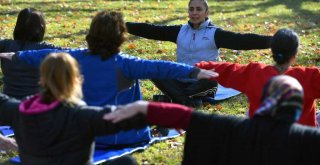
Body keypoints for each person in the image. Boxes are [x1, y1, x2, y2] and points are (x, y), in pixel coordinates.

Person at [0, 11, 218, 150]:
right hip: (126, 138)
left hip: (90, 135)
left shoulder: (78, 56)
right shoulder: (125, 63)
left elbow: (43, 54)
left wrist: (17, 56)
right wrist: (194, 72)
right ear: (120, 36)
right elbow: (160, 67)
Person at [103, 75, 320, 165]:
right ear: (297, 107)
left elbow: (188, 117)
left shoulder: (235, 128)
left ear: (265, 100)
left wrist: (145, 107)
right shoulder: (308, 139)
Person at [0, 52, 145, 165]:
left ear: (42, 79)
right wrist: (153, 111)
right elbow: (130, 117)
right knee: (126, 162)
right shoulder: (83, 116)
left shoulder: (18, 111)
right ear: (76, 80)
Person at [126, 0, 272, 105]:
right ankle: (185, 100)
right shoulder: (179, 31)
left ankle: (175, 98)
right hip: (180, 79)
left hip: (202, 82)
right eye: (191, 9)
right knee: (155, 69)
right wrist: (123, 26)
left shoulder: (215, 33)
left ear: (206, 12)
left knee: (211, 80)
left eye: (198, 9)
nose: (194, 13)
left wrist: (272, 41)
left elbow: (242, 40)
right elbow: (151, 30)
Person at [195, 28, 320, 127]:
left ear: (272, 51)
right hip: (301, 144)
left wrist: (198, 67)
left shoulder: (254, 73)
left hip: (262, 141)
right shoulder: (310, 77)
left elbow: (227, 69)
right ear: (295, 55)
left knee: (249, 116)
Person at [0, 8, 63, 153]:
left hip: (7, 111)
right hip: (35, 111)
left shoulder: (6, 45)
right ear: (41, 29)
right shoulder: (46, 49)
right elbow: (74, 55)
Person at [0, 8, 62, 100]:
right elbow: (74, 53)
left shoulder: (5, 45)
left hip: (8, 103)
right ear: (41, 28)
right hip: (35, 105)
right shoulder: (48, 49)